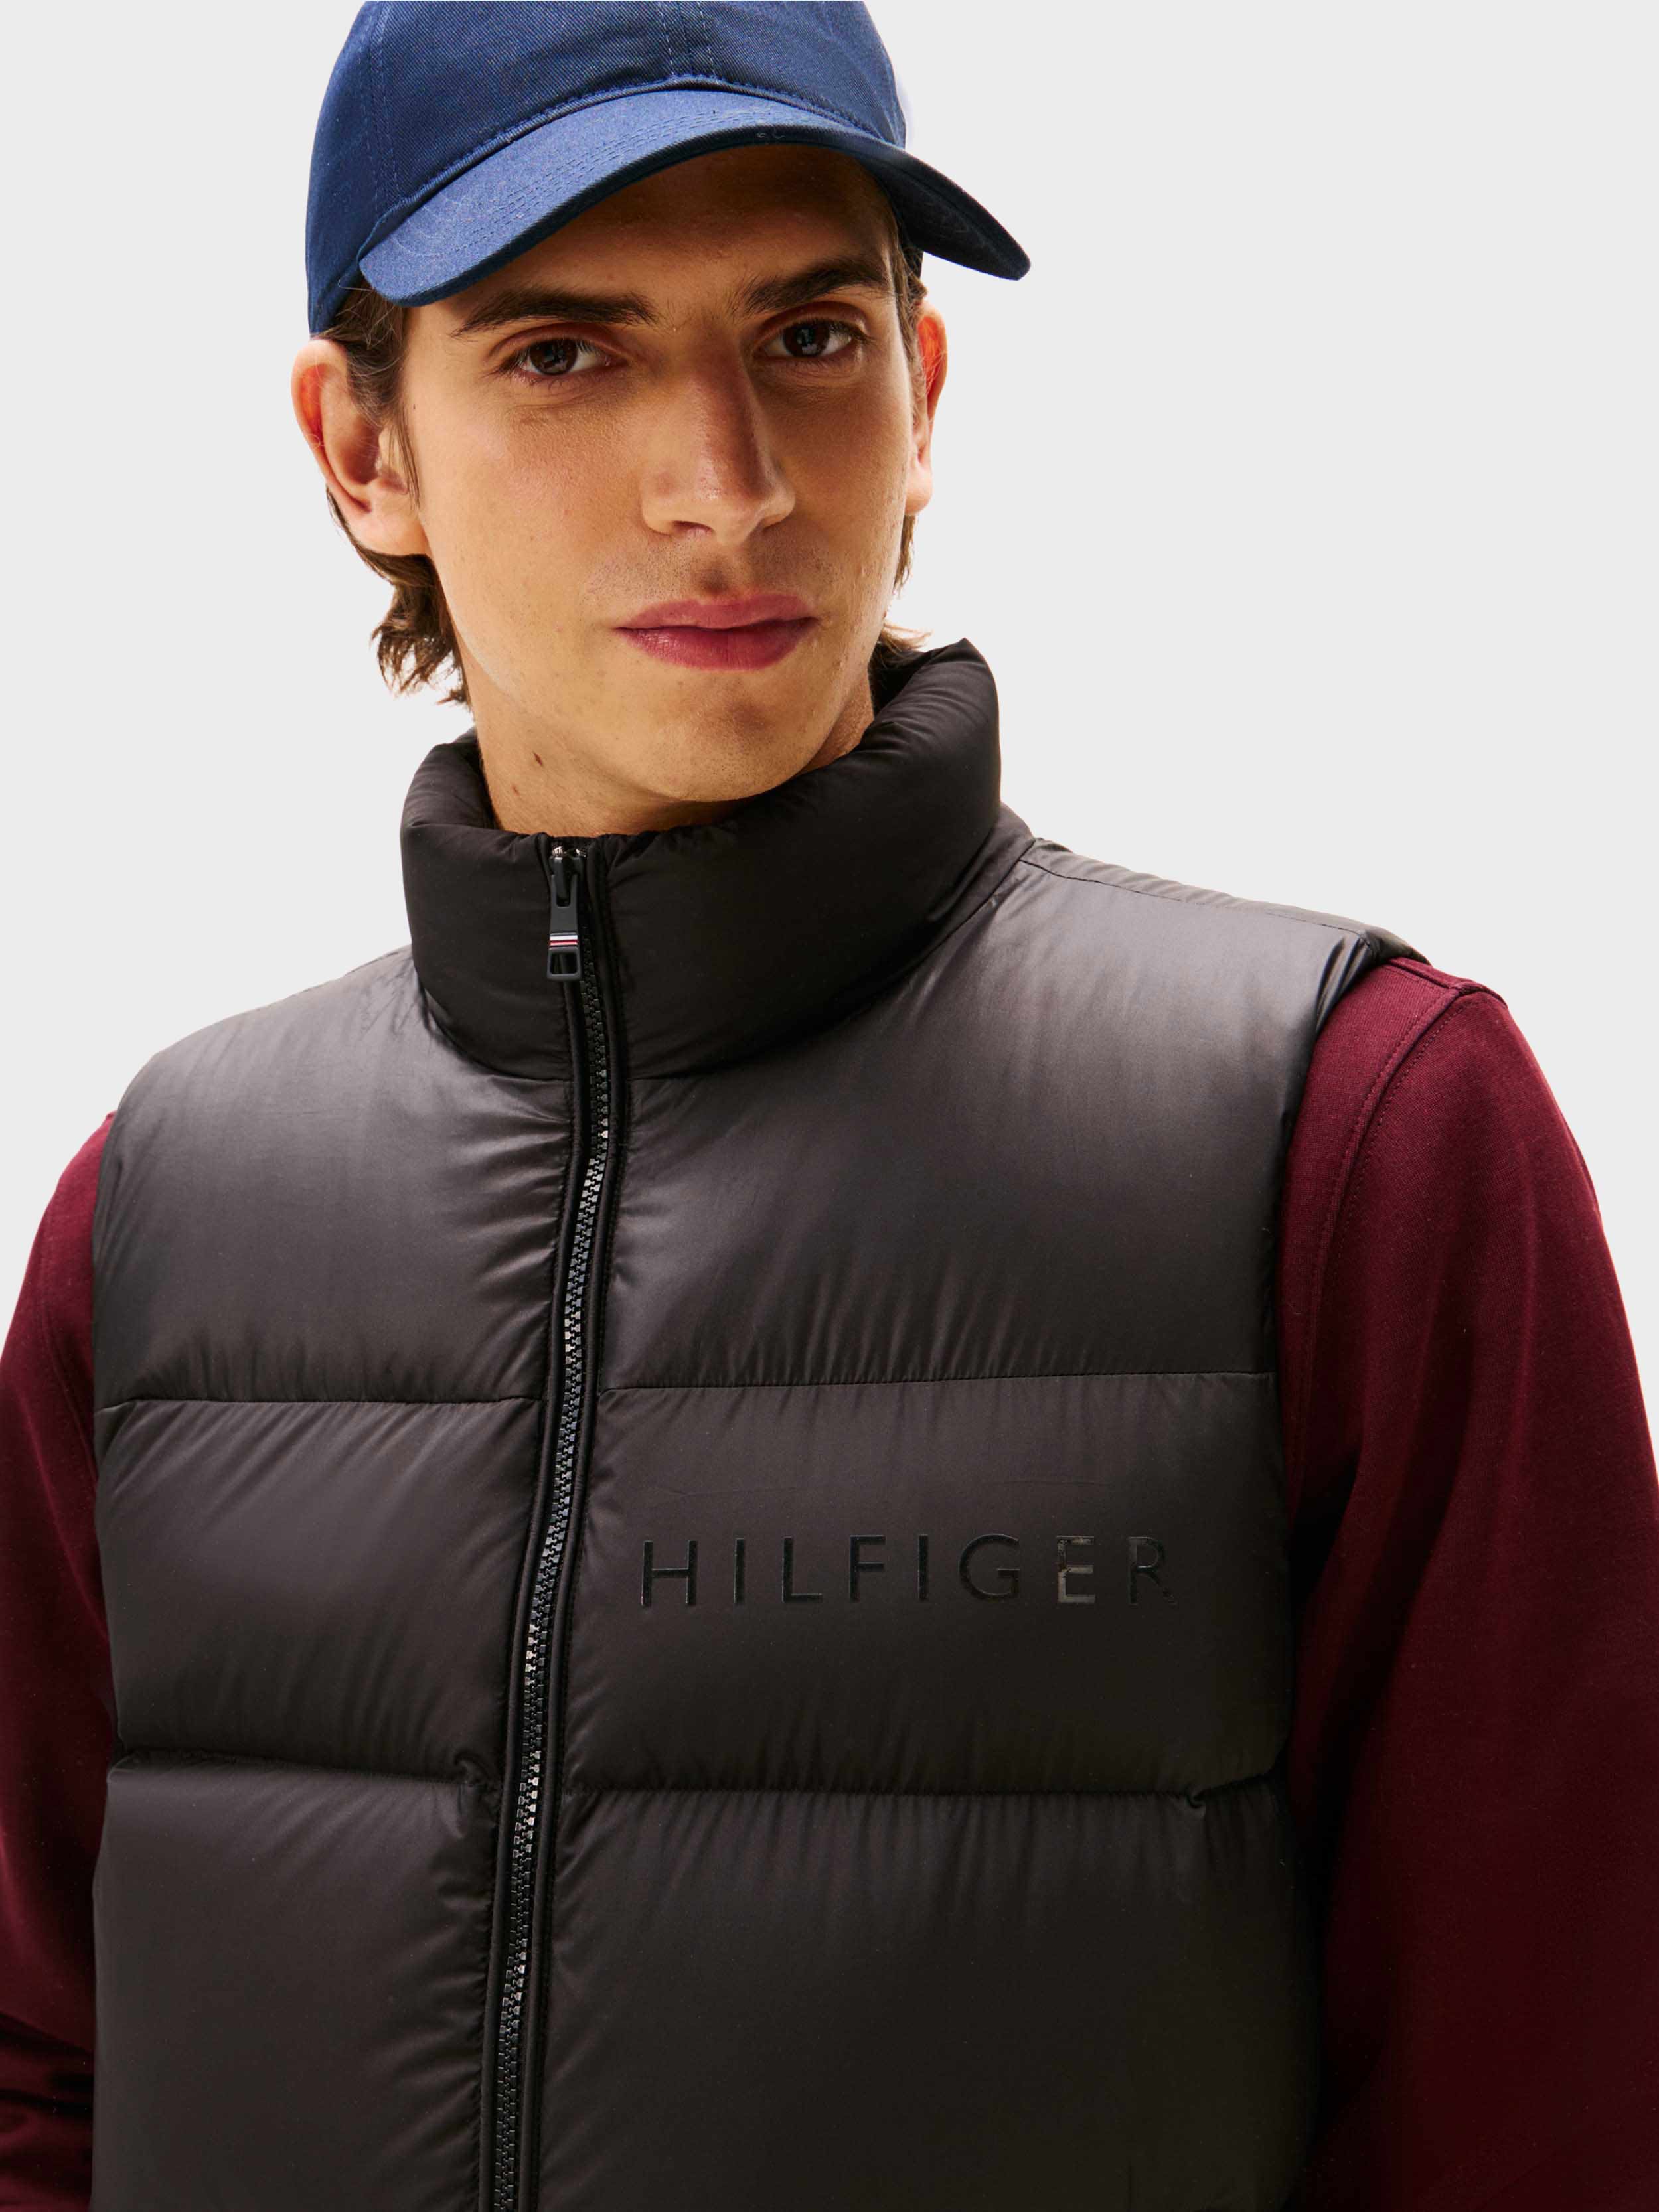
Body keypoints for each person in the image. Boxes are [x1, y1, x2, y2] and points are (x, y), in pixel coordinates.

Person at [3, 5, 1655, 2207]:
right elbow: (36, 2077)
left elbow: (1540, 2114)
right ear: (361, 449)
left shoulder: (1349, 1137)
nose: (727, 482)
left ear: (923, 390)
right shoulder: (162, 1221)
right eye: (563, 354)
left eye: (805, 338)